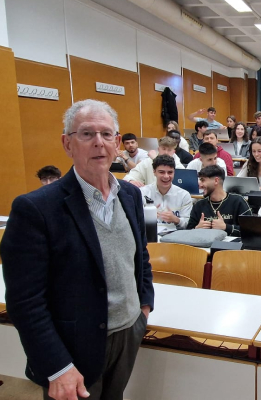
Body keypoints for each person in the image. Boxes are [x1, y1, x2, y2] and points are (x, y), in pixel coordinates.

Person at [0, 99, 154, 399]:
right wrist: (57, 366)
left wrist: (143, 308)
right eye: (86, 134)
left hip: (128, 333)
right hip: (72, 347)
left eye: (107, 134)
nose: (99, 143)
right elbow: (24, 302)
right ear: (67, 143)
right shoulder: (36, 209)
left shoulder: (131, 197)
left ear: (117, 142)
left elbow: (140, 258)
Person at [187, 165, 252, 236]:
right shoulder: (199, 205)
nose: (200, 184)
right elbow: (187, 232)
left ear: (216, 181)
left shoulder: (238, 201)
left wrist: (226, 227)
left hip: (231, 246)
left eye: (203, 180)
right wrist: (197, 228)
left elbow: (250, 231)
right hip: (203, 246)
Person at [140, 155, 192, 233]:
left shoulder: (184, 195)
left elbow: (188, 225)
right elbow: (135, 222)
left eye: (170, 172)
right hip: (149, 236)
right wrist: (148, 217)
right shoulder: (142, 193)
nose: (166, 176)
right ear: (154, 172)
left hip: (175, 238)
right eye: (161, 172)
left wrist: (176, 220)